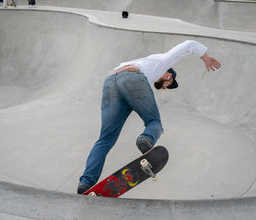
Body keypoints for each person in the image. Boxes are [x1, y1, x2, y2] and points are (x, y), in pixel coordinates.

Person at [77, 40, 221, 194]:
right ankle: (146, 139)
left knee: (105, 139)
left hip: (110, 83)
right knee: (154, 122)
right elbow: (189, 44)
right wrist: (206, 58)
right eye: (167, 84)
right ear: (168, 74)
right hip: (132, 80)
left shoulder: (143, 64)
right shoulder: (162, 62)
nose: (164, 88)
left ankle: (86, 182)